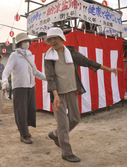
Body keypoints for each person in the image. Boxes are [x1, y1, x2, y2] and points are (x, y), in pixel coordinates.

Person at [44, 27, 122, 162]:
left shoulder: (71, 53)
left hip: (72, 90)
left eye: (55, 38)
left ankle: (55, 134)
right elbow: (50, 77)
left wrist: (108, 69)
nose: (52, 41)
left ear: (62, 38)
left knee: (75, 119)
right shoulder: (49, 57)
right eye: (50, 39)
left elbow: (88, 62)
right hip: (58, 94)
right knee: (63, 124)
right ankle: (66, 153)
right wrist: (55, 95)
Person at [2, 32, 46, 144]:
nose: (27, 43)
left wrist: (48, 78)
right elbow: (7, 70)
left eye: (28, 41)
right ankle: (24, 134)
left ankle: (24, 129)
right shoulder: (14, 55)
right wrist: (5, 80)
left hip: (31, 86)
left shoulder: (30, 55)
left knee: (31, 109)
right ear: (19, 43)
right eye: (24, 41)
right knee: (21, 111)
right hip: (19, 87)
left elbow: (35, 72)